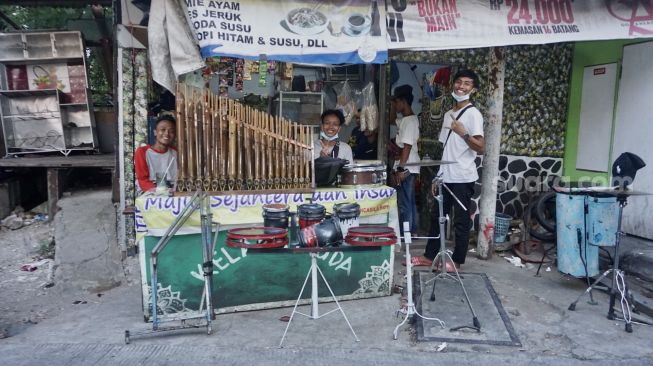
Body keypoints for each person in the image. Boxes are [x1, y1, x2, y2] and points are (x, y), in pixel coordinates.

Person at [414, 69, 485, 270]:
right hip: (446, 176)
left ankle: (458, 261)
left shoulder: (473, 114)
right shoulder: (448, 115)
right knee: (438, 218)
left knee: (460, 221)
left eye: (467, 84)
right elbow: (446, 150)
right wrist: (438, 176)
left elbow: (481, 147)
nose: (461, 87)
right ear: (453, 85)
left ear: (474, 89)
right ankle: (430, 256)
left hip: (463, 177)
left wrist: (464, 134)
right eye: (459, 82)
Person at [389, 84, 420, 235]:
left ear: (403, 101)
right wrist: (392, 104)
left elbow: (406, 148)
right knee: (409, 200)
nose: (395, 105)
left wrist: (400, 168)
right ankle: (412, 231)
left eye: (396, 102)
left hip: (407, 166)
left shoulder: (411, 121)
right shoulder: (406, 120)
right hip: (407, 164)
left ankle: (406, 234)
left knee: (405, 203)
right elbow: (391, 119)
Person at [135, 115, 178, 194]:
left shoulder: (177, 153)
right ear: (155, 132)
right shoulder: (142, 152)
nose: (167, 134)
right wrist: (161, 192)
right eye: (162, 130)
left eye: (171, 131)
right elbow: (142, 180)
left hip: (173, 193)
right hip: (150, 193)